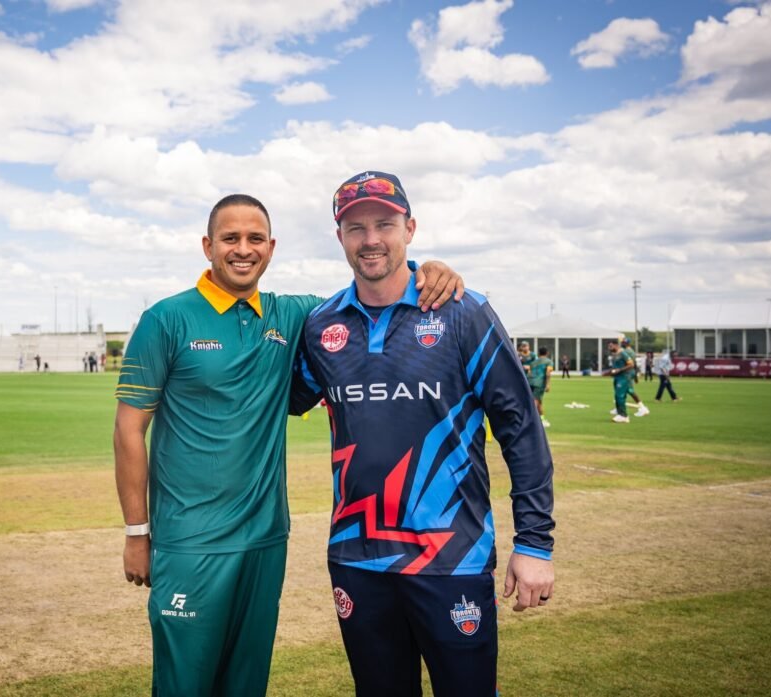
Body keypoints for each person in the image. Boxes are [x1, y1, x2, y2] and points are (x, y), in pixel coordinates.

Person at [113, 193, 465, 697]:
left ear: (271, 247)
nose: (243, 249)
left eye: (255, 239)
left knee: (246, 683)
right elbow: (129, 430)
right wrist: (136, 532)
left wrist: (427, 269)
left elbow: (370, 291)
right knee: (184, 684)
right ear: (207, 245)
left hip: (265, 539)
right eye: (230, 238)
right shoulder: (166, 319)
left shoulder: (294, 315)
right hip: (190, 541)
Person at [290, 171, 554, 697]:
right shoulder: (321, 327)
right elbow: (275, 399)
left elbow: (520, 427)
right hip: (357, 557)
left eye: (384, 224)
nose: (371, 239)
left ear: (410, 228)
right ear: (339, 237)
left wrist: (535, 544)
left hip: (451, 558)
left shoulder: (462, 311)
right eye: (356, 227)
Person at [617, 337, 650, 417]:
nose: (621, 343)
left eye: (623, 342)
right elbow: (634, 364)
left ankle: (643, 408)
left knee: (630, 391)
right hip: (629, 373)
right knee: (624, 390)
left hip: (627, 373)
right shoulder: (631, 351)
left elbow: (629, 363)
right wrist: (635, 376)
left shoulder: (626, 351)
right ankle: (619, 407)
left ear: (626, 343)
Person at [605, 339, 633, 423]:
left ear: (616, 345)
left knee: (620, 396)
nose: (609, 348)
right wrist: (610, 372)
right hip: (617, 377)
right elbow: (615, 367)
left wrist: (619, 370)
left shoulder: (623, 353)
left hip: (624, 377)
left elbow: (631, 364)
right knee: (617, 396)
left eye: (611, 346)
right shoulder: (614, 354)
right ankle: (620, 413)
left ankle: (624, 416)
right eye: (609, 346)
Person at [530, 346, 554, 427]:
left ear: (539, 353)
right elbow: (548, 372)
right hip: (539, 383)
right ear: (547, 353)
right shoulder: (548, 362)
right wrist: (547, 384)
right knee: (535, 401)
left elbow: (529, 373)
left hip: (530, 382)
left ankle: (542, 419)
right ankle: (530, 420)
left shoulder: (534, 362)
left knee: (539, 401)